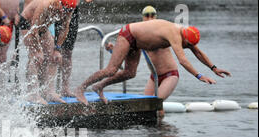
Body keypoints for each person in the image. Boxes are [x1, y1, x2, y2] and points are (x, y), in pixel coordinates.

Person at [75, 19, 232, 106]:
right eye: (187, 44)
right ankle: (80, 89)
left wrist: (214, 68)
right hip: (128, 35)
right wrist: (199, 76)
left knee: (130, 73)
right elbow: (183, 60)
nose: (188, 47)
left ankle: (99, 87)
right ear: (184, 37)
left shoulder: (185, 34)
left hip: (136, 43)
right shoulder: (175, 34)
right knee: (111, 70)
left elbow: (197, 51)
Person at [18, 0, 77, 105]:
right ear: (59, 3)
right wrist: (38, 50)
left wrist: (57, 49)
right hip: (28, 24)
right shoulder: (45, 4)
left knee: (54, 57)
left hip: (43, 27)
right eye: (65, 10)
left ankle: (50, 93)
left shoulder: (69, 10)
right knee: (35, 57)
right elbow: (33, 28)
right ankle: (32, 94)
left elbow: (65, 28)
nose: (65, 13)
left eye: (69, 10)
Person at [55, 0, 93, 97]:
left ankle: (65, 88)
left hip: (72, 9)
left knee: (68, 52)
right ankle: (45, 89)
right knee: (50, 52)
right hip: (55, 8)